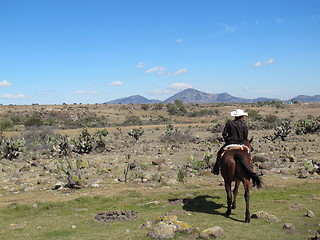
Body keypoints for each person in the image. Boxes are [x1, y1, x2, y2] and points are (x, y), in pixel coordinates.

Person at [212, 109, 249, 175]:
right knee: (248, 154)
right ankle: (250, 167)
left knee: (219, 154)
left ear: (235, 116)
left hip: (230, 143)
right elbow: (245, 137)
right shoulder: (244, 125)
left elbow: (224, 134)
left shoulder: (229, 123)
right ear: (242, 117)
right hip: (241, 144)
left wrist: (227, 140)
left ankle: (216, 169)